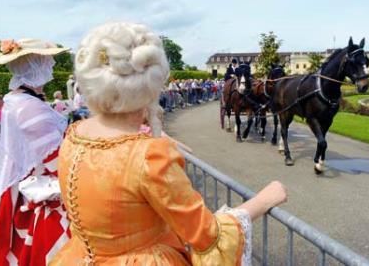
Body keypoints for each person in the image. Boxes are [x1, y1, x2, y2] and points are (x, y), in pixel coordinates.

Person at [50, 22, 287, 265]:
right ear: (152, 89)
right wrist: (263, 201)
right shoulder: (149, 155)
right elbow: (206, 234)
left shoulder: (74, 134)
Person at [0, 38, 70, 265]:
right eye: (47, 60)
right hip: (38, 188)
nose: (53, 64)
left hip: (26, 183)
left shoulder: (17, 99)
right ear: (35, 65)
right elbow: (55, 161)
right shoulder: (29, 106)